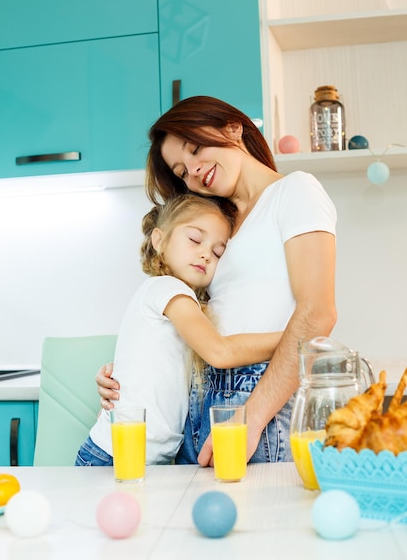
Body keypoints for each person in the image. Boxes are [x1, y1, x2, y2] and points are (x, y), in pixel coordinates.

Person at [96, 95, 337, 466]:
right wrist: (126, 384)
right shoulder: (217, 229)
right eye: (180, 171)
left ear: (233, 128)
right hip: (199, 406)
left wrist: (251, 418)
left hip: (260, 400)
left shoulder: (295, 191)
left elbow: (317, 314)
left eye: (194, 148)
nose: (192, 170)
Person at [76, 194, 281, 466]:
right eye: (195, 239)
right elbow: (220, 351)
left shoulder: (184, 302)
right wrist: (294, 339)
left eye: (218, 252)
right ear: (159, 240)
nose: (206, 254)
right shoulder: (168, 289)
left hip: (141, 458)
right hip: (112, 457)